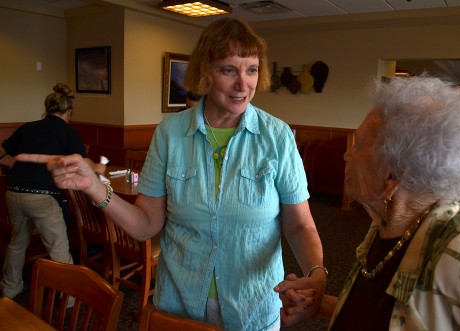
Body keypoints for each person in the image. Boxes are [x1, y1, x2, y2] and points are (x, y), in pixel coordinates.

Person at [18, 18, 327, 330]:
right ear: (206, 72)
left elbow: (300, 225)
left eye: (251, 69)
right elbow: (145, 225)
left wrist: (317, 272)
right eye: (228, 70)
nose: (243, 84)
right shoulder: (170, 134)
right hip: (179, 307)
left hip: (253, 307)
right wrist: (94, 187)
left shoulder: (277, 137)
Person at [275, 76, 460, 330]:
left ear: (392, 176)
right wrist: (320, 305)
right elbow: (383, 313)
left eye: (359, 145)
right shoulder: (389, 225)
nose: (346, 154)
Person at [0, 83, 86, 299]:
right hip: (42, 197)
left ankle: (9, 288)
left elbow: (2, 150)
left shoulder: (27, 128)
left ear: (47, 109)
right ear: (69, 112)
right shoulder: (69, 133)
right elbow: (78, 167)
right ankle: (67, 298)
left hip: (14, 192)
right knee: (58, 249)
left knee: (18, 243)